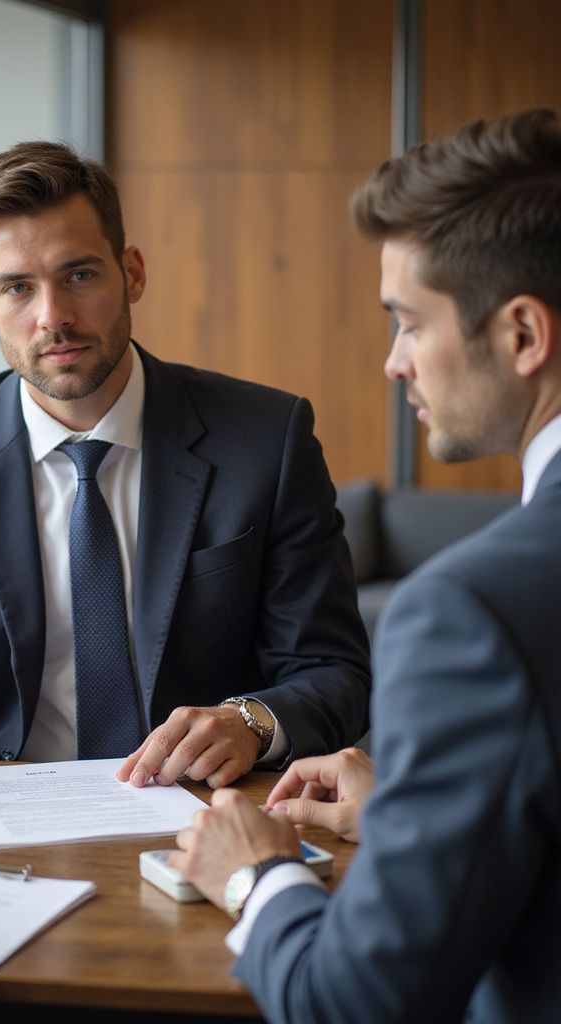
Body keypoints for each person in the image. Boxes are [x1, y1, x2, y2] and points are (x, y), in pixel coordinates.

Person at [0, 141, 371, 794]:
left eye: (79, 275)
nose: (52, 316)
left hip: (186, 806)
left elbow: (332, 671)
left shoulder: (264, 439)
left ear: (132, 273)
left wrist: (252, 721)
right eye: (17, 288)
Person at [173, 107, 561, 1024]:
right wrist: (419, 816)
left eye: (408, 323)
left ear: (521, 335)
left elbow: (351, 1005)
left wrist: (257, 876)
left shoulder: (472, 611)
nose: (393, 363)